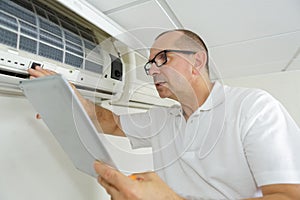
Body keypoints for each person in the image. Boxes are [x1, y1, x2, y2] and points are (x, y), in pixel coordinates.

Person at [28, 29, 300, 200]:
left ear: (197, 61)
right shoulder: (162, 118)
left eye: (163, 59)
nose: (154, 71)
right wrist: (68, 99)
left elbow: (289, 195)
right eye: (150, 65)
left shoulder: (254, 107)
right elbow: (109, 122)